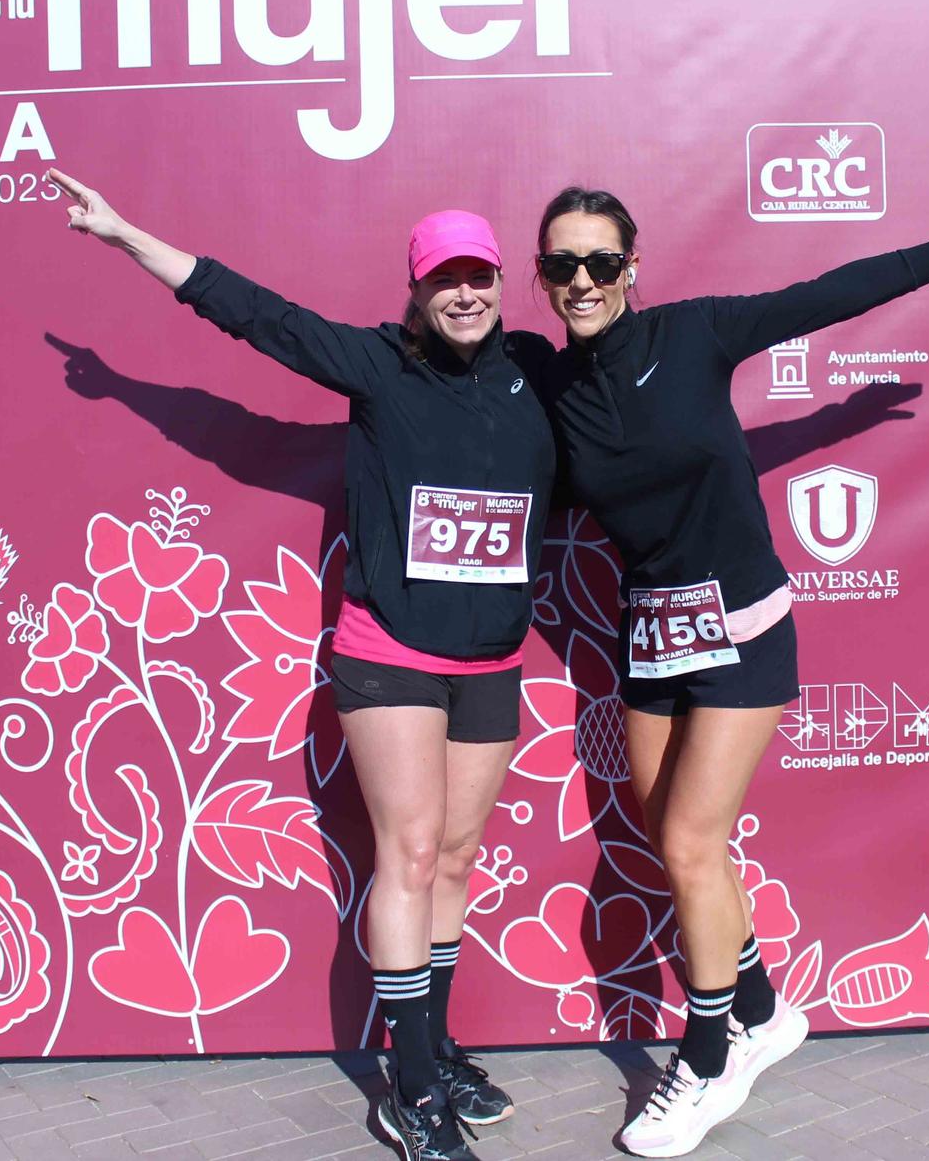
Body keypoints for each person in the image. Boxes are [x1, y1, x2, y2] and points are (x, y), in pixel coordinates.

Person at [534, 182, 929, 1157]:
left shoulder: (692, 336)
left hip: (740, 626)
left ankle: (703, 1058)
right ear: (541, 276)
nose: (581, 280)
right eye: (562, 264)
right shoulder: (551, 390)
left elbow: (828, 295)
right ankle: (764, 1010)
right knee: (668, 838)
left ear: (629, 269)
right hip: (649, 635)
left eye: (599, 262)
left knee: (691, 844)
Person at [49, 170, 558, 1161]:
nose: (464, 292)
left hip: (493, 656)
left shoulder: (530, 371)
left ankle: (438, 1046)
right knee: (407, 856)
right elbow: (254, 315)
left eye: (480, 276)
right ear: (415, 289)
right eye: (443, 276)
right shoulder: (376, 367)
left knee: (453, 859)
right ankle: (409, 1085)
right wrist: (125, 236)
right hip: (391, 653)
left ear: (501, 284)